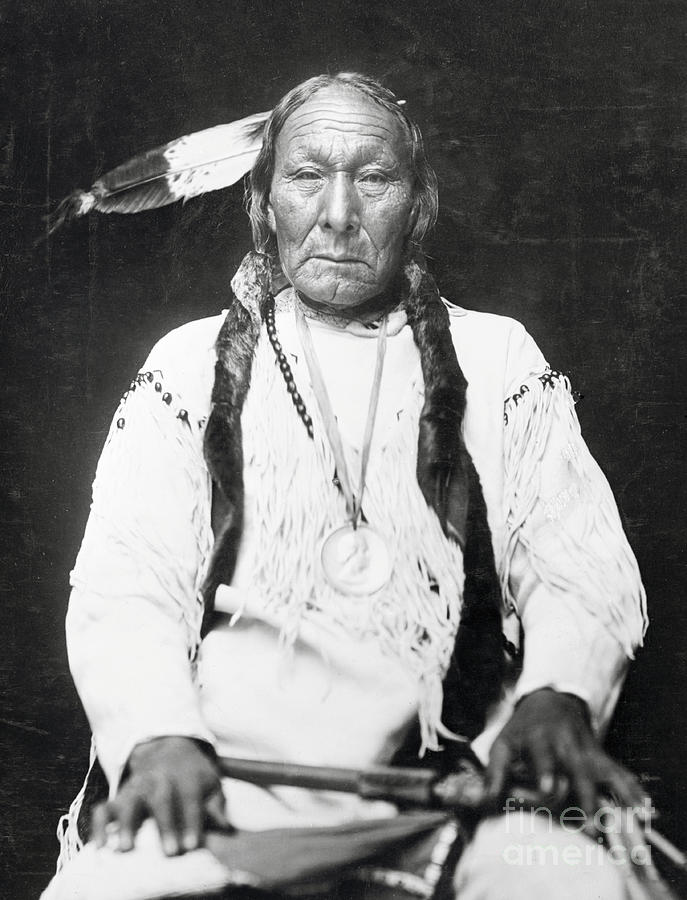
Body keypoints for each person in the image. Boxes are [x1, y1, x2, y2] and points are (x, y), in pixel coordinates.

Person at [42, 72, 649, 900]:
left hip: (459, 788)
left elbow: (576, 568)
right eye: (304, 176)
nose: (337, 213)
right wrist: (156, 739)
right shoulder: (186, 366)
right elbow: (125, 586)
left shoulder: (499, 357)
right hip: (222, 786)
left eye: (373, 177)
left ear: (419, 205)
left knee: (571, 880)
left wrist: (558, 696)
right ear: (263, 205)